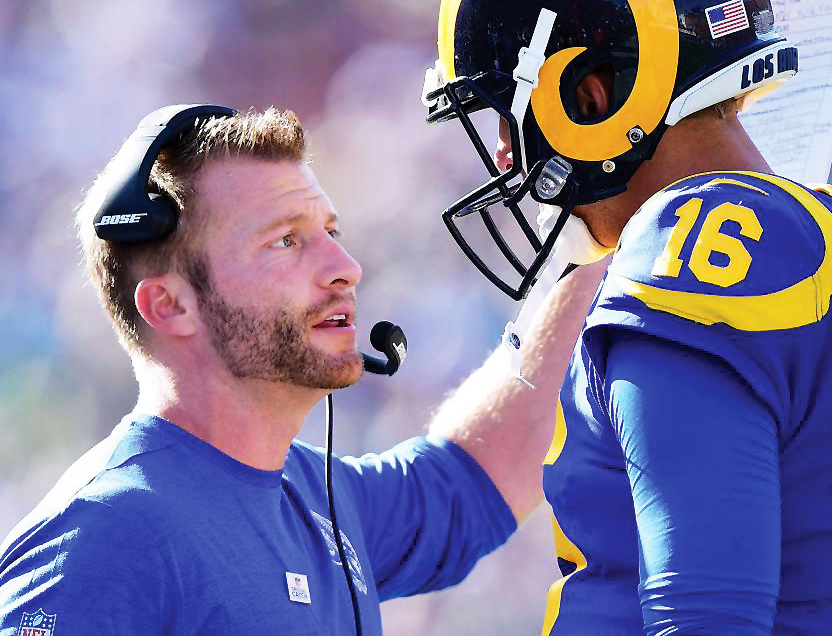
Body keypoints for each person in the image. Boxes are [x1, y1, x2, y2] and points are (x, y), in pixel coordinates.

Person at [423, 0, 832, 635]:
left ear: (592, 93)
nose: (502, 153)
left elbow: (705, 616)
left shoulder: (691, 245)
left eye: (504, 113)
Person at [0, 104, 607, 635]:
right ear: (169, 305)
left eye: (330, 231)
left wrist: (599, 229)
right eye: (285, 241)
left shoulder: (320, 495)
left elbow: (478, 476)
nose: (346, 267)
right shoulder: (104, 533)